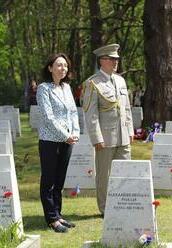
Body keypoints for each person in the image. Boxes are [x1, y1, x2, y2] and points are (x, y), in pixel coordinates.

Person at [82, 44, 134, 216]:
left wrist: (130, 130)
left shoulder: (120, 80)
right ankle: (105, 209)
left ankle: (123, 204)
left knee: (125, 171)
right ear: (102, 61)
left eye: (117, 59)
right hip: (105, 137)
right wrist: (96, 138)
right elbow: (91, 114)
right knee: (104, 175)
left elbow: (126, 108)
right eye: (112, 59)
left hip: (123, 135)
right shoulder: (93, 83)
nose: (116, 62)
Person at [36, 53, 80, 233]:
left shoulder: (67, 88)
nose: (63, 68)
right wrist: (65, 135)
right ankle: (51, 218)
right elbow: (48, 117)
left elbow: (73, 113)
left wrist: (75, 132)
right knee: (49, 180)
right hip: (50, 140)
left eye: (65, 66)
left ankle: (58, 214)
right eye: (59, 65)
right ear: (50, 68)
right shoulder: (43, 89)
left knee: (60, 179)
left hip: (68, 140)